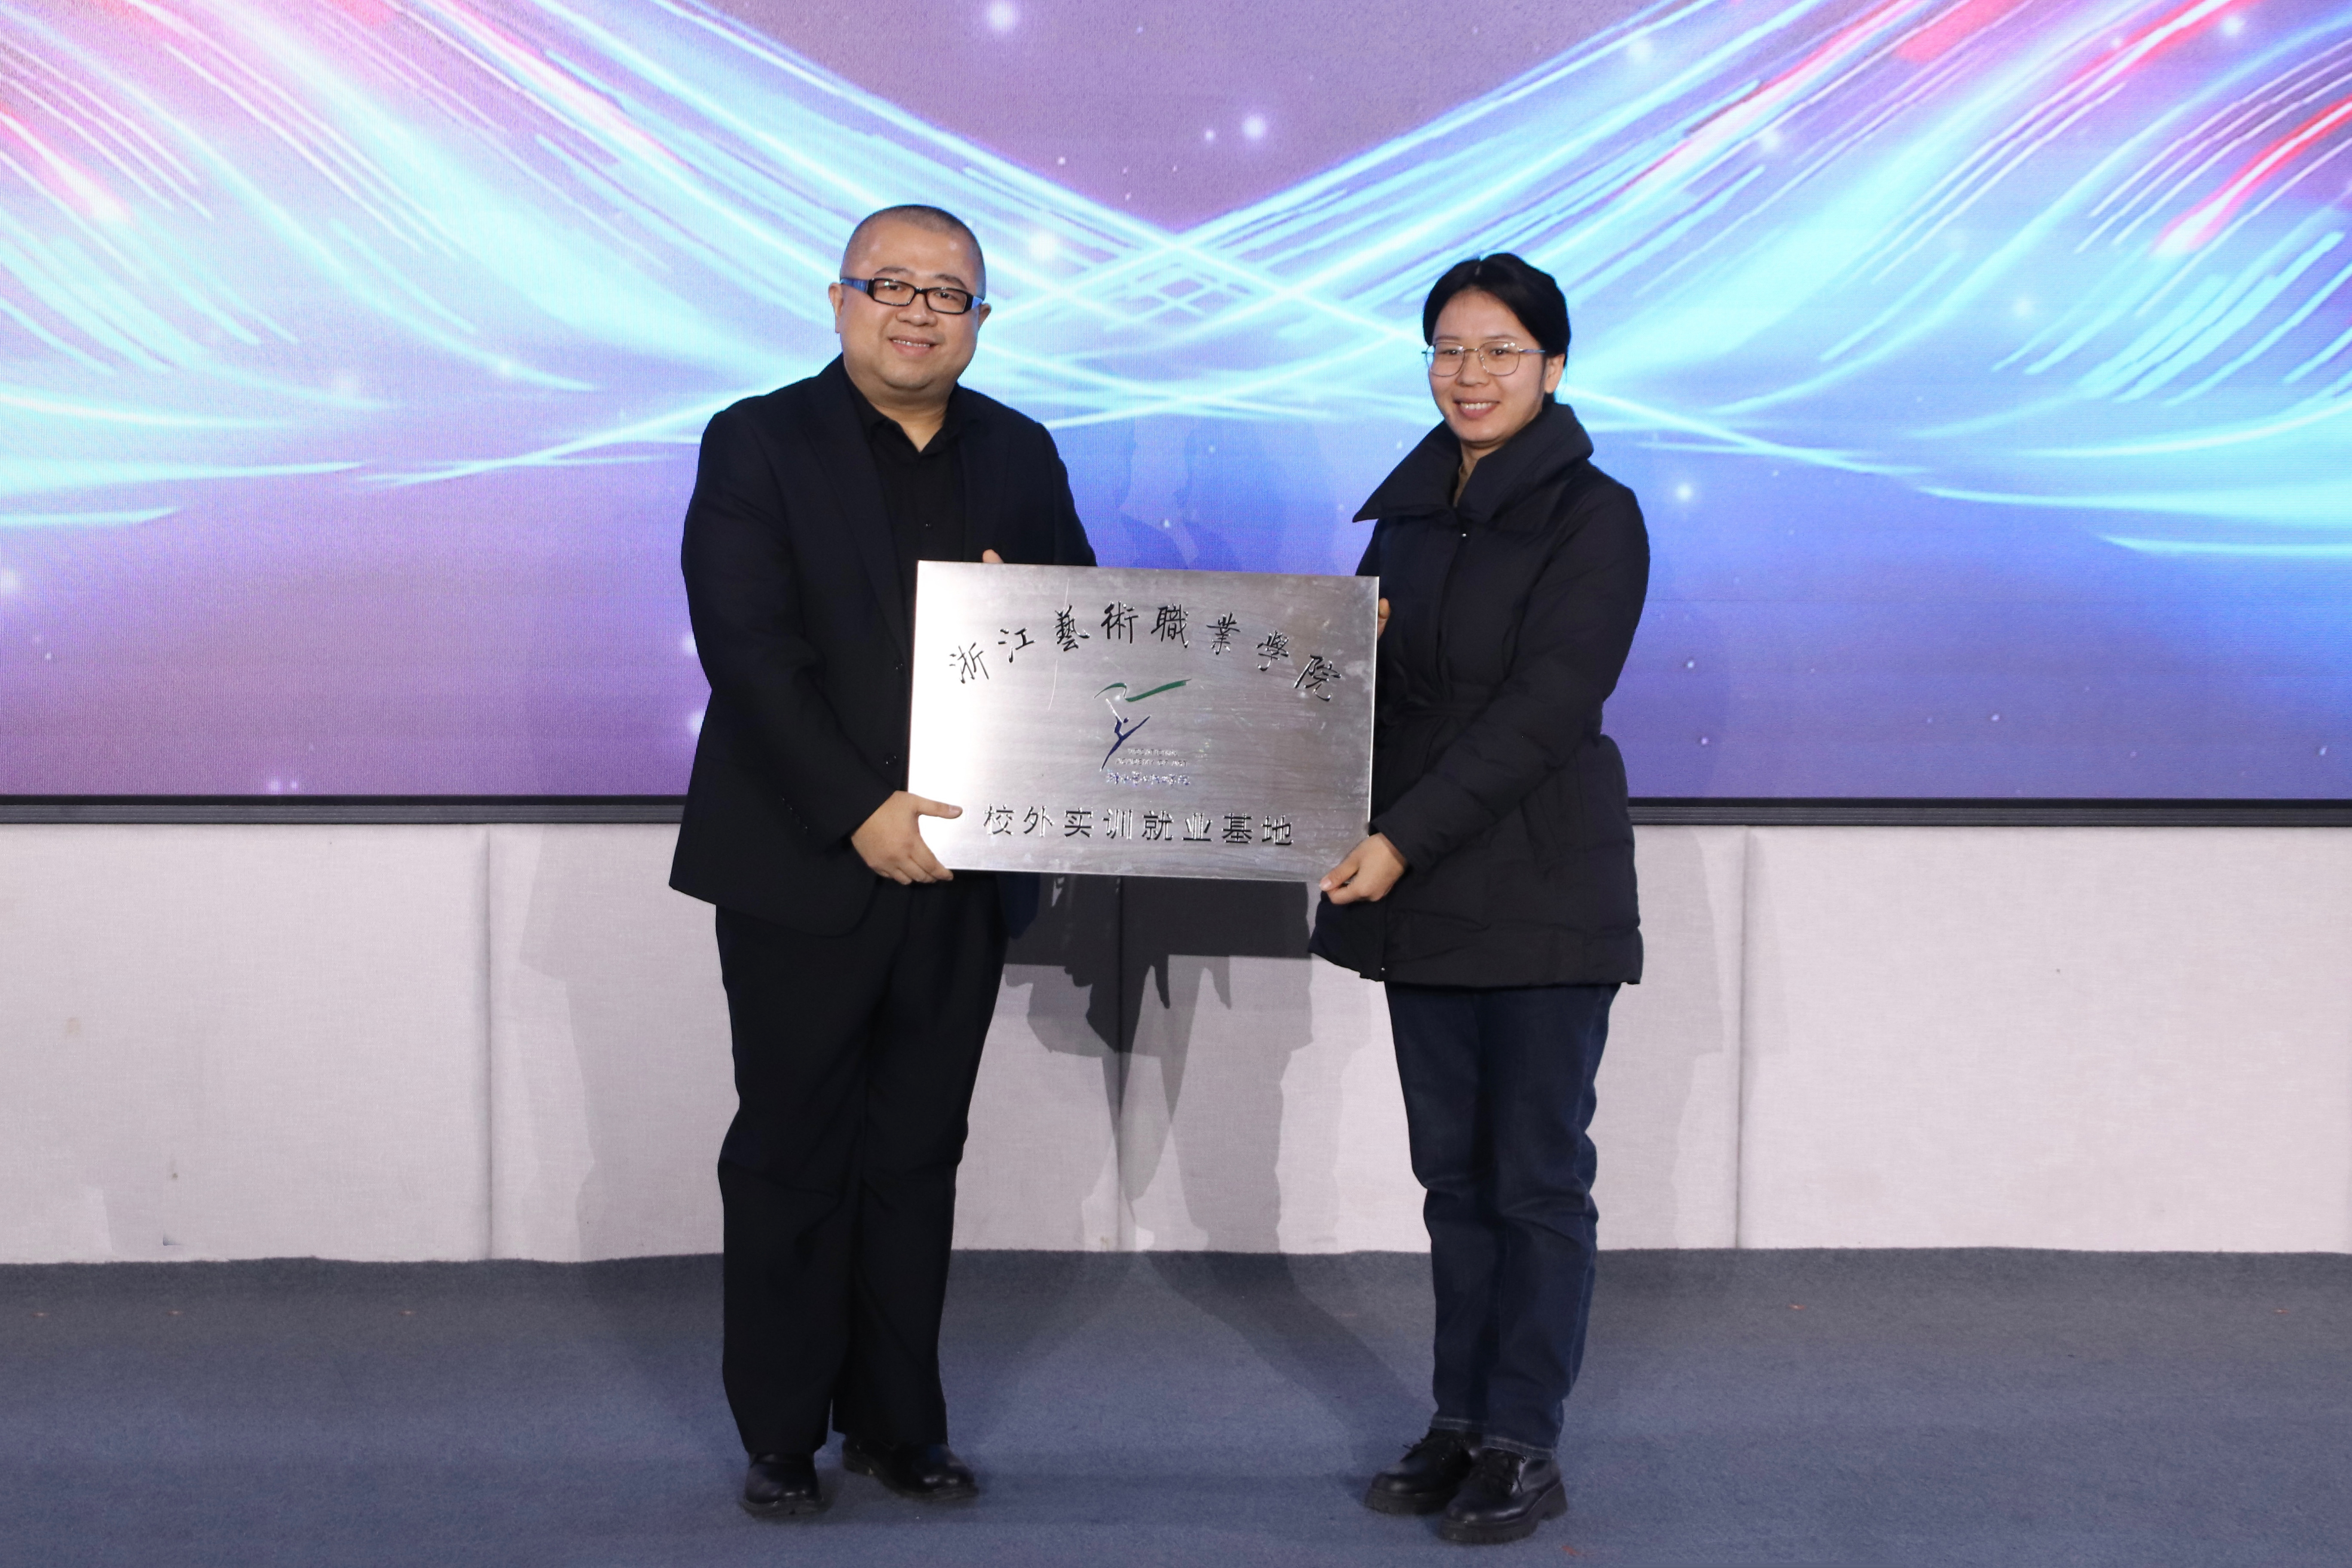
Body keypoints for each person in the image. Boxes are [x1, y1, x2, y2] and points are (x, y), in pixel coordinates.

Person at [669, 204, 1094, 1519]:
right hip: (804, 861)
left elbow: (1084, 632)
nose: (919, 312)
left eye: (947, 293)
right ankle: (782, 1434)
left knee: (917, 1151)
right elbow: (750, 650)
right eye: (891, 285)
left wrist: (1035, 612)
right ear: (840, 300)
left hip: (963, 867)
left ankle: (901, 1425)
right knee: (792, 1149)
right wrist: (861, 808)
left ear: (982, 319)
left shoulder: (1018, 451)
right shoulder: (757, 440)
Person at [1311, 254, 1649, 1547]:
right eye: (1449, 350)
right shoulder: (1406, 515)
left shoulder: (1596, 516)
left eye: (1502, 351)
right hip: (1426, 883)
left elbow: (1547, 710)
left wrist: (1400, 837)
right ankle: (1460, 1418)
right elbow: (1349, 688)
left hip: (1541, 882)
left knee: (1535, 1181)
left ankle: (1524, 1440)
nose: (1471, 374)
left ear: (1553, 369)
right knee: (1453, 1179)